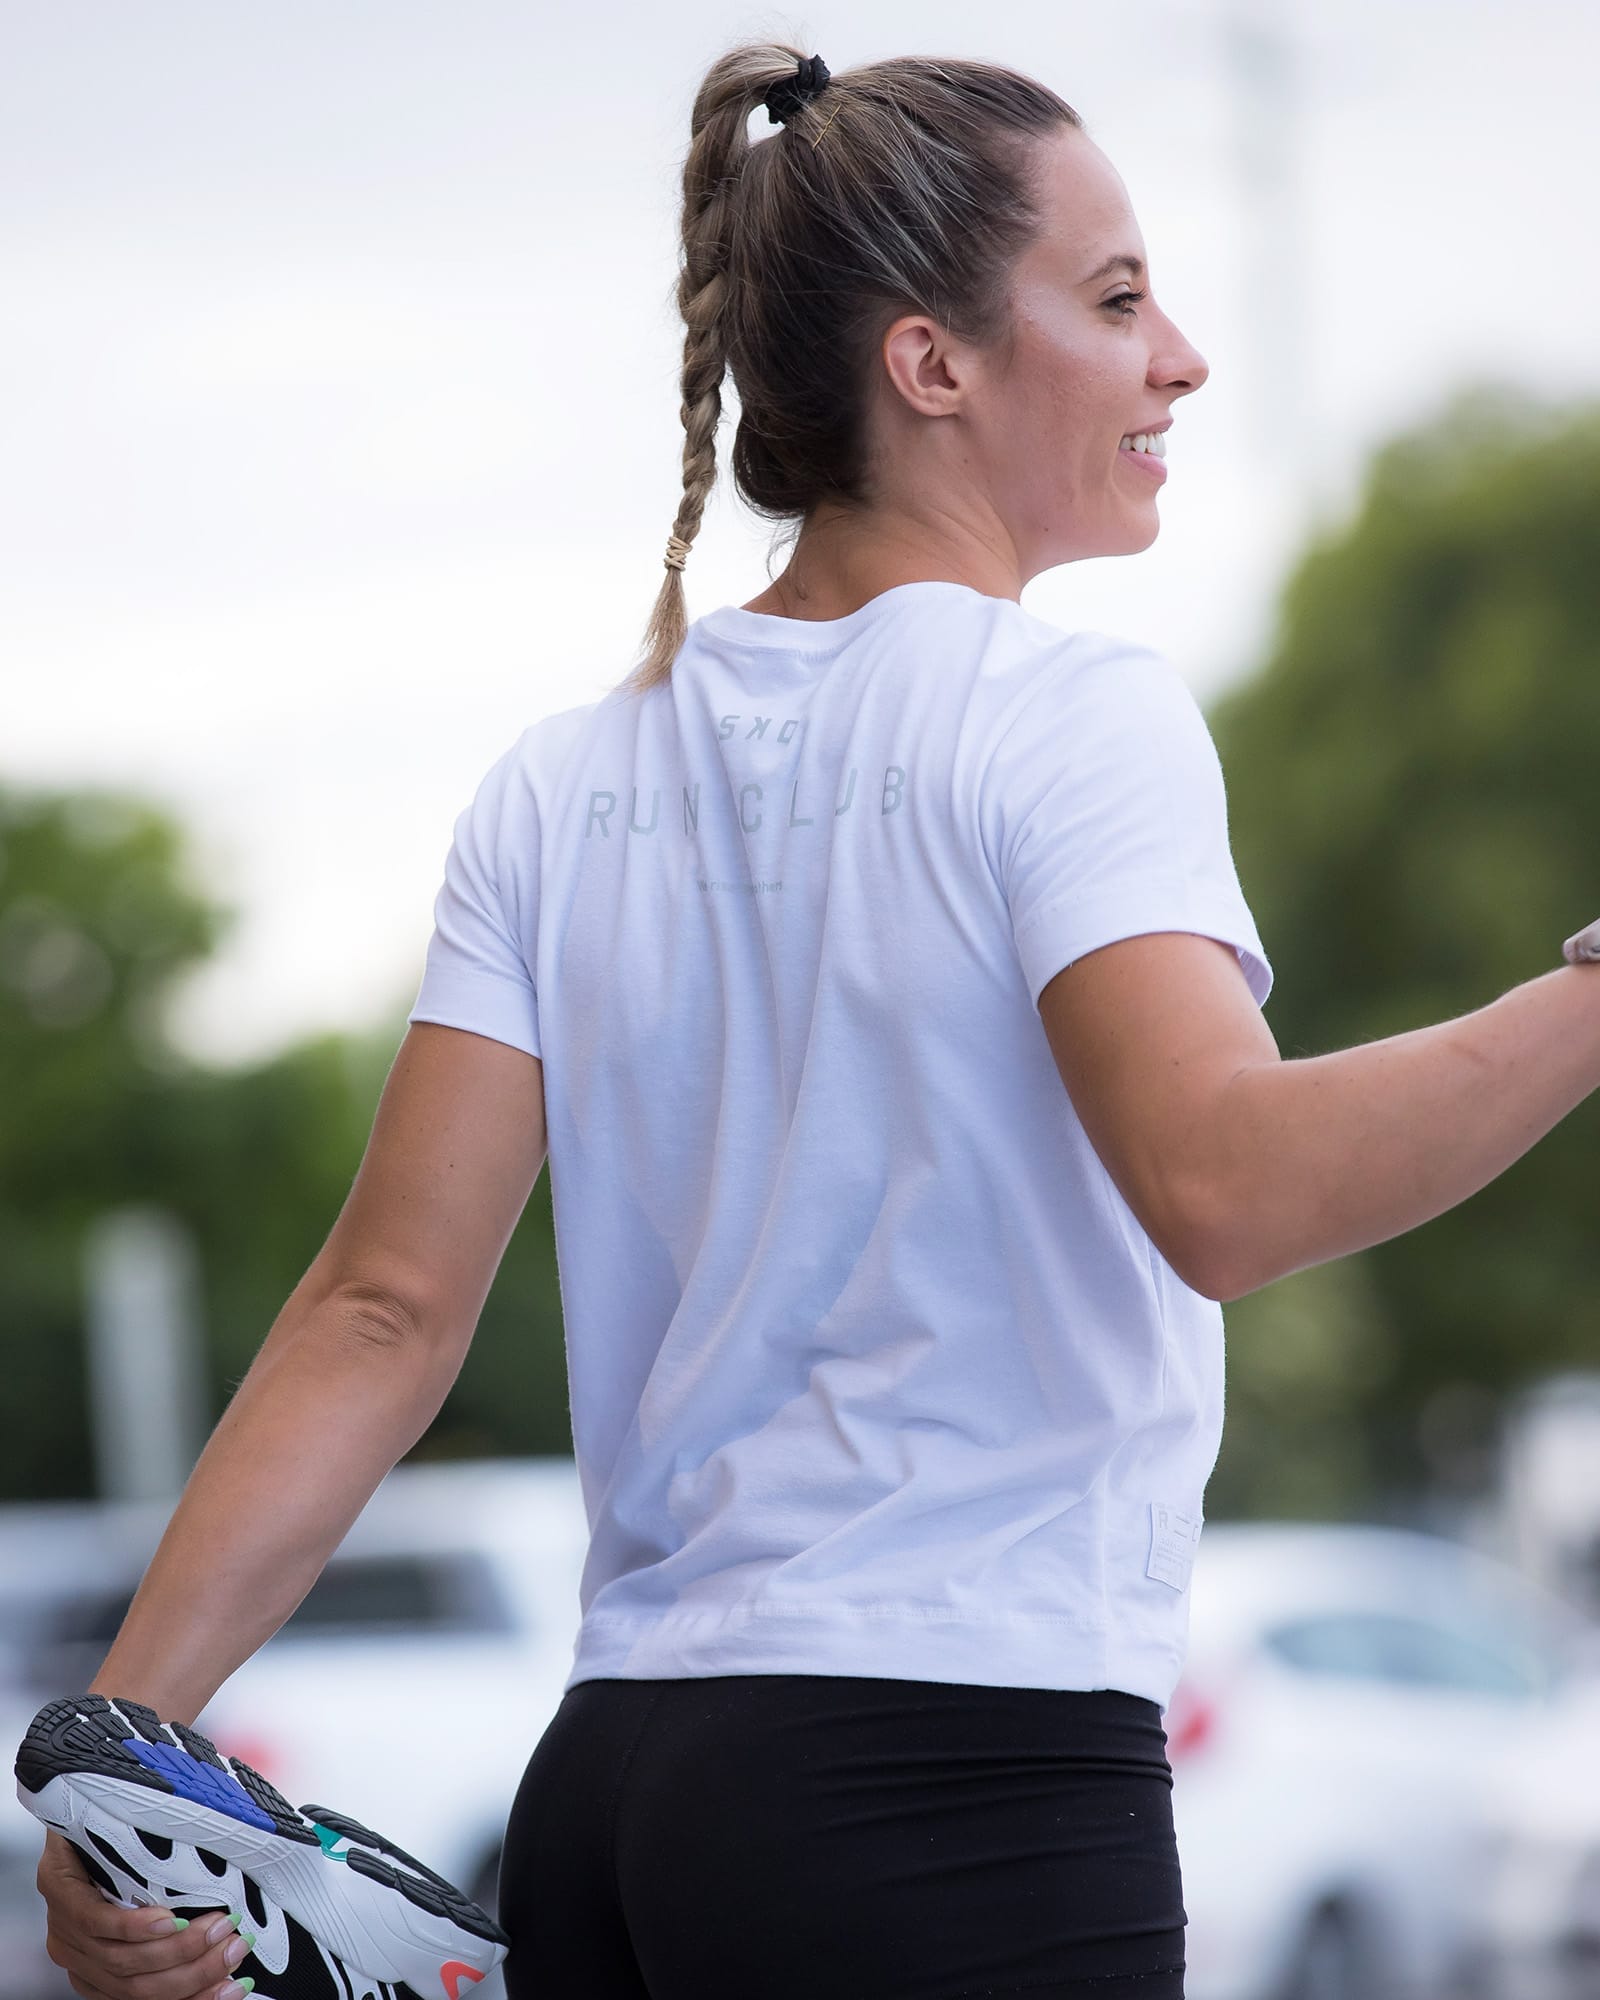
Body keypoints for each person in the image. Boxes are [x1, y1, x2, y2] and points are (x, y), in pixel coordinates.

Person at [29, 37, 1600, 2000]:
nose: (1177, 357)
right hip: (954, 1787)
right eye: (1113, 300)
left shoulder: (558, 784)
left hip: (617, 1796)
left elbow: (381, 1313)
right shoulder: (1058, 718)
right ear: (927, 362)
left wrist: (119, 1762)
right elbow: (1224, 1184)